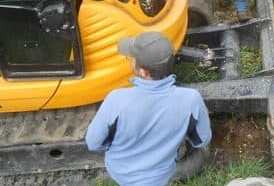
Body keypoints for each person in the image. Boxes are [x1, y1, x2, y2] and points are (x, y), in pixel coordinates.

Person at [86, 32, 212, 186]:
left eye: (132, 59)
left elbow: (93, 143)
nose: (131, 61)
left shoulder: (116, 100)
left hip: (122, 174)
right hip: (161, 176)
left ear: (143, 72)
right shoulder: (191, 99)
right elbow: (201, 140)